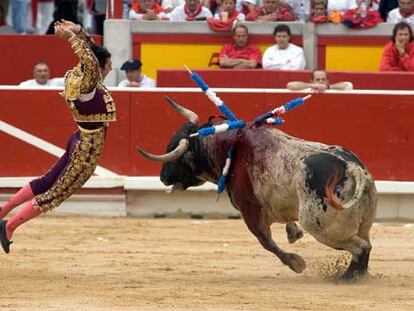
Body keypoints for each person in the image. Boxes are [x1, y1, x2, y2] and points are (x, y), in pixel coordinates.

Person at [0, 19, 116, 254]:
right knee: (56, 192)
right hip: (87, 147)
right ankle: (9, 225)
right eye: (109, 65)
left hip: (78, 137)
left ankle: (2, 210)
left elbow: (92, 55)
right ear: (99, 67)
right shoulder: (89, 82)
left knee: (47, 181)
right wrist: (73, 39)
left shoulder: (78, 75)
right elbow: (93, 60)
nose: (110, 68)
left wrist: (79, 31)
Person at [286, 69, 354, 92]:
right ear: (312, 81)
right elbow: (290, 85)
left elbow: (349, 85)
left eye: (323, 79)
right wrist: (311, 85)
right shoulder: (307, 89)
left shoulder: (331, 90)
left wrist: (328, 87)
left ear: (327, 80)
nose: (321, 81)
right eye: (317, 79)